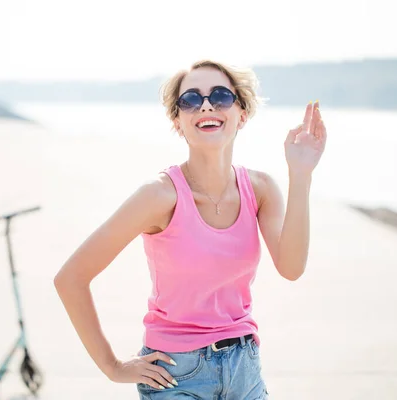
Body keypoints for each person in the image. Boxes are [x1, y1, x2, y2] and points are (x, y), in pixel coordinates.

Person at [54, 59, 327, 399]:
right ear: (178, 122)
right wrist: (113, 367)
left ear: (242, 113)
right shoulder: (158, 195)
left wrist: (300, 174)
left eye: (221, 96)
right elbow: (70, 277)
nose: (207, 105)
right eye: (191, 100)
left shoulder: (261, 189)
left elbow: (291, 267)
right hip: (176, 376)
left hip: (245, 368)